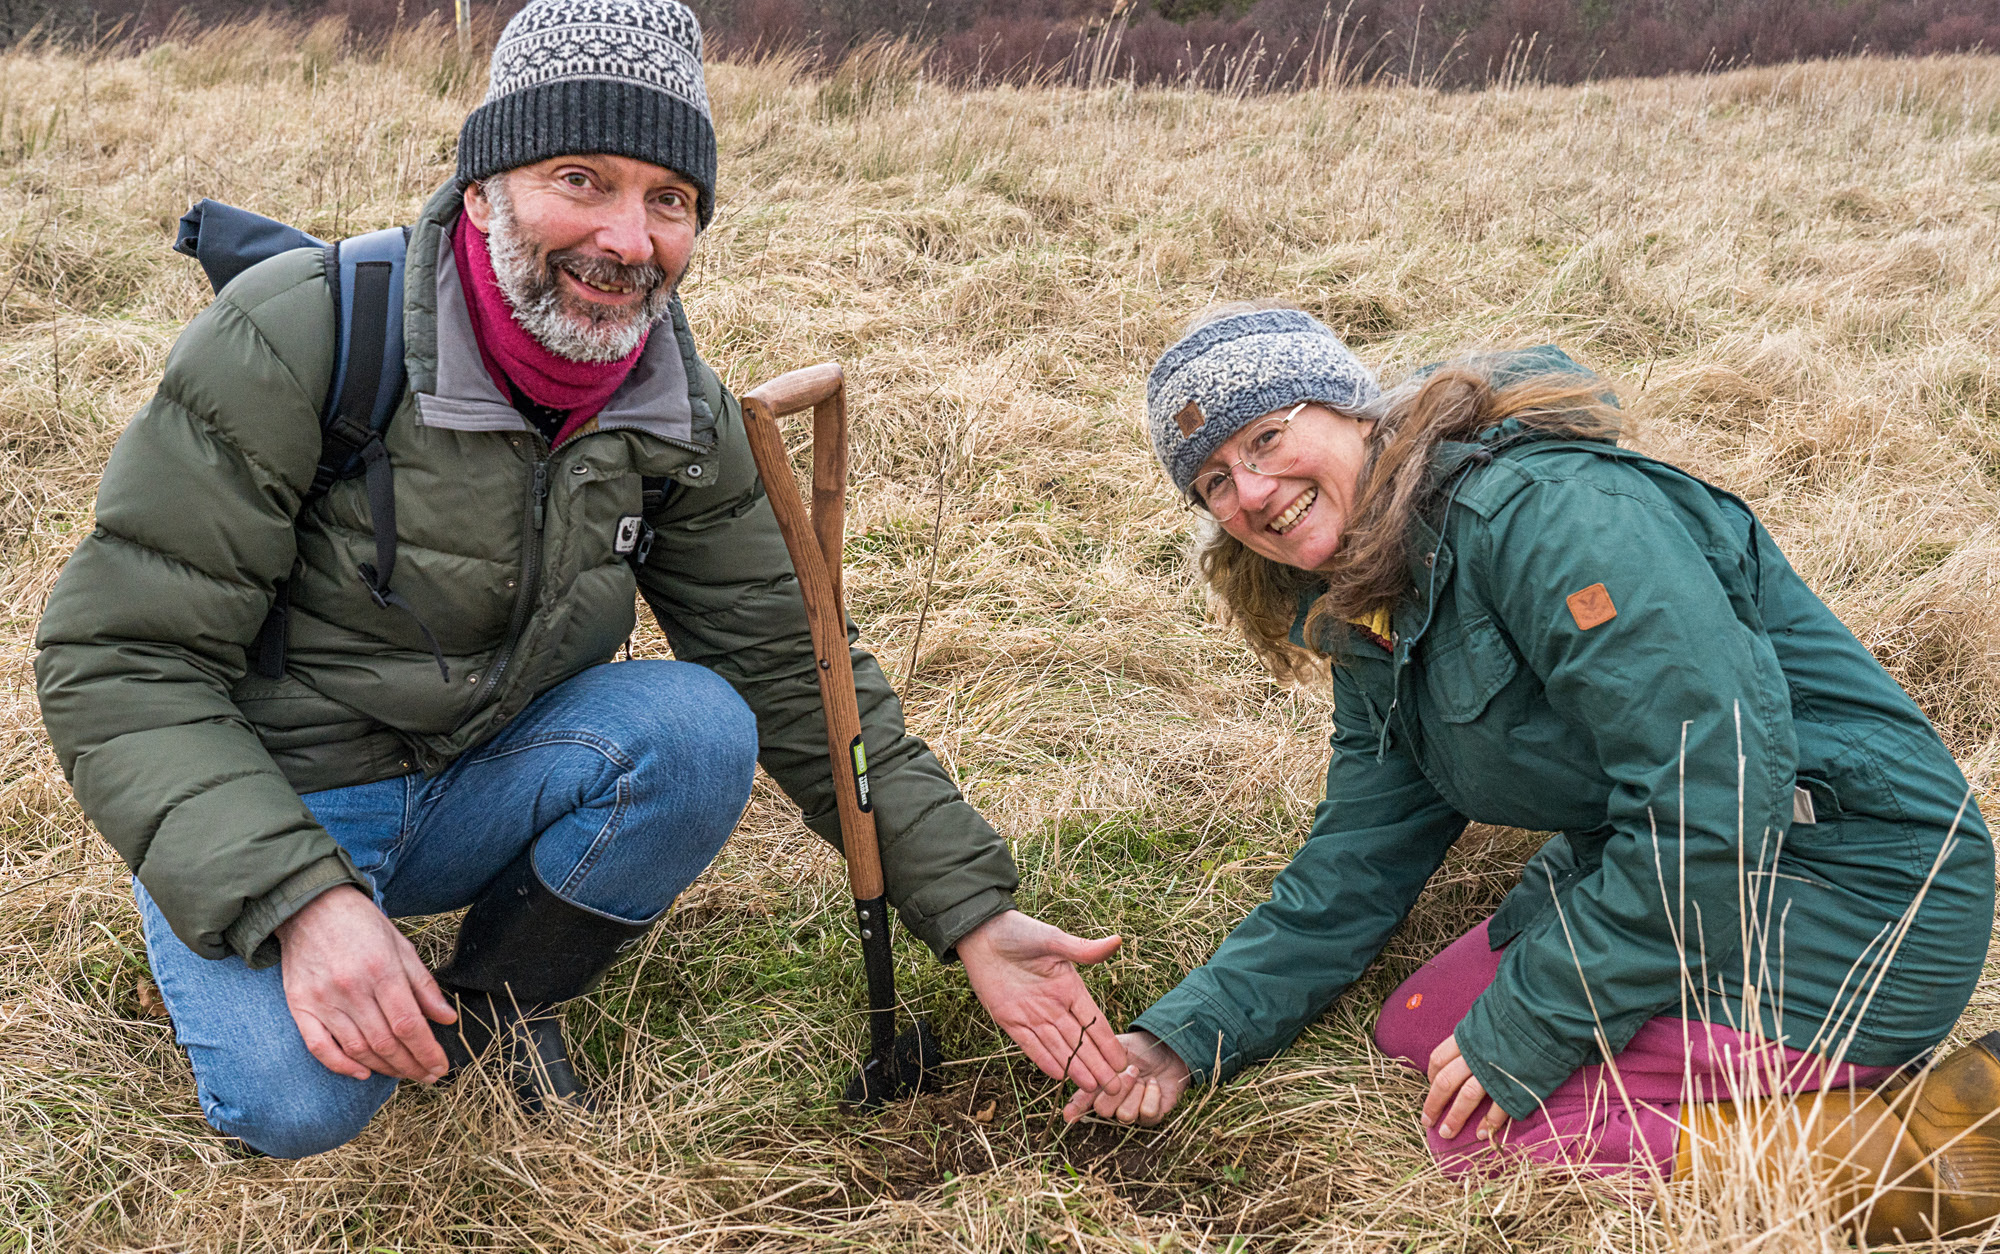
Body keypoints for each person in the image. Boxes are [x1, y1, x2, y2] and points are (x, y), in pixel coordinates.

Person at [33, 0, 1129, 1159]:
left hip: (479, 776)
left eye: (669, 199)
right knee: (301, 1105)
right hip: (280, 786)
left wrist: (972, 911)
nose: (627, 237)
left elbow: (788, 665)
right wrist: (298, 901)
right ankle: (232, 908)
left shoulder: (671, 405)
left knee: (700, 725)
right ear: (483, 189)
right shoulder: (301, 337)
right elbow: (120, 658)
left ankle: (500, 1007)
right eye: (581, 178)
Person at [1063, 304, 2000, 1242]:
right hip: (1688, 874)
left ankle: (1952, 1140)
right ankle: (1781, 1077)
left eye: (1267, 437)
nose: (1254, 492)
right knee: (1419, 1031)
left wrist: (1540, 1022)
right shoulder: (1367, 585)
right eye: (1215, 482)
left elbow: (1714, 792)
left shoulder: (1548, 518)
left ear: (1350, 406)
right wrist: (1187, 1035)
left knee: (1495, 1135)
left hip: (1859, 885)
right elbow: (1359, 852)